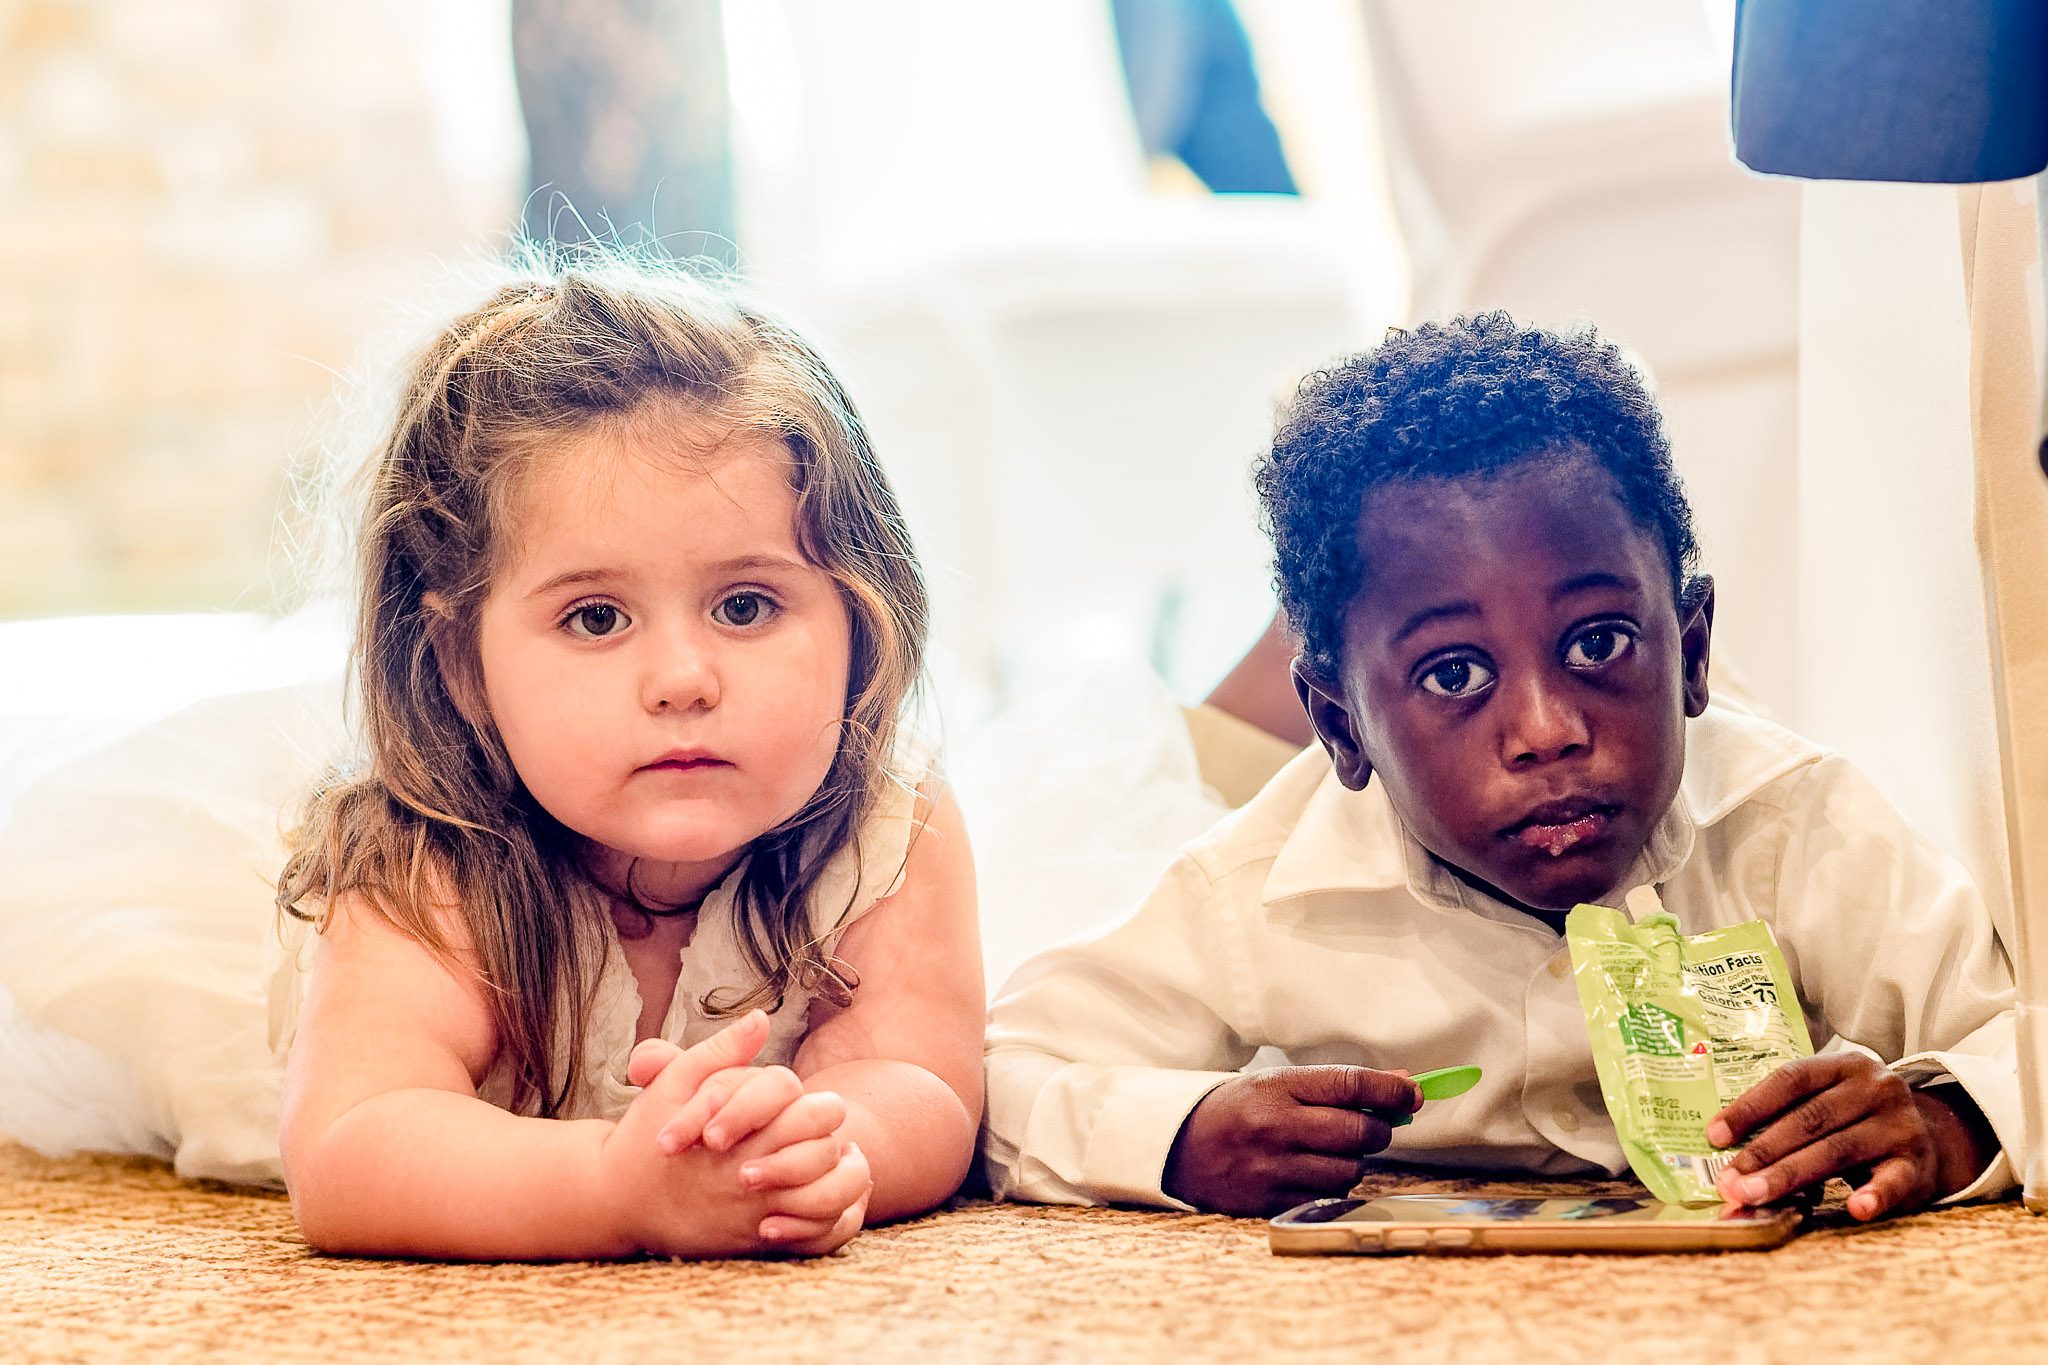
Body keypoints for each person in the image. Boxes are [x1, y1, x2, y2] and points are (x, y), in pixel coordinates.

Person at [0, 254, 985, 1261]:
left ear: (860, 616)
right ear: (463, 663)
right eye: (596, 618)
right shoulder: (422, 854)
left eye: (744, 605)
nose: (682, 679)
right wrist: (614, 1186)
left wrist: (806, 1153)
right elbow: (355, 1144)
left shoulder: (886, 829)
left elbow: (921, 1081)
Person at [982, 312, 2019, 1223]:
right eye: (1453, 673)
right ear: (1340, 727)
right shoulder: (1254, 895)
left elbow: (2012, 1036)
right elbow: (1008, 1078)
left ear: (1693, 650)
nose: (1545, 730)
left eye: (1598, 643)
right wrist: (1181, 1137)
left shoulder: (1794, 827)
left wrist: (1947, 1122)